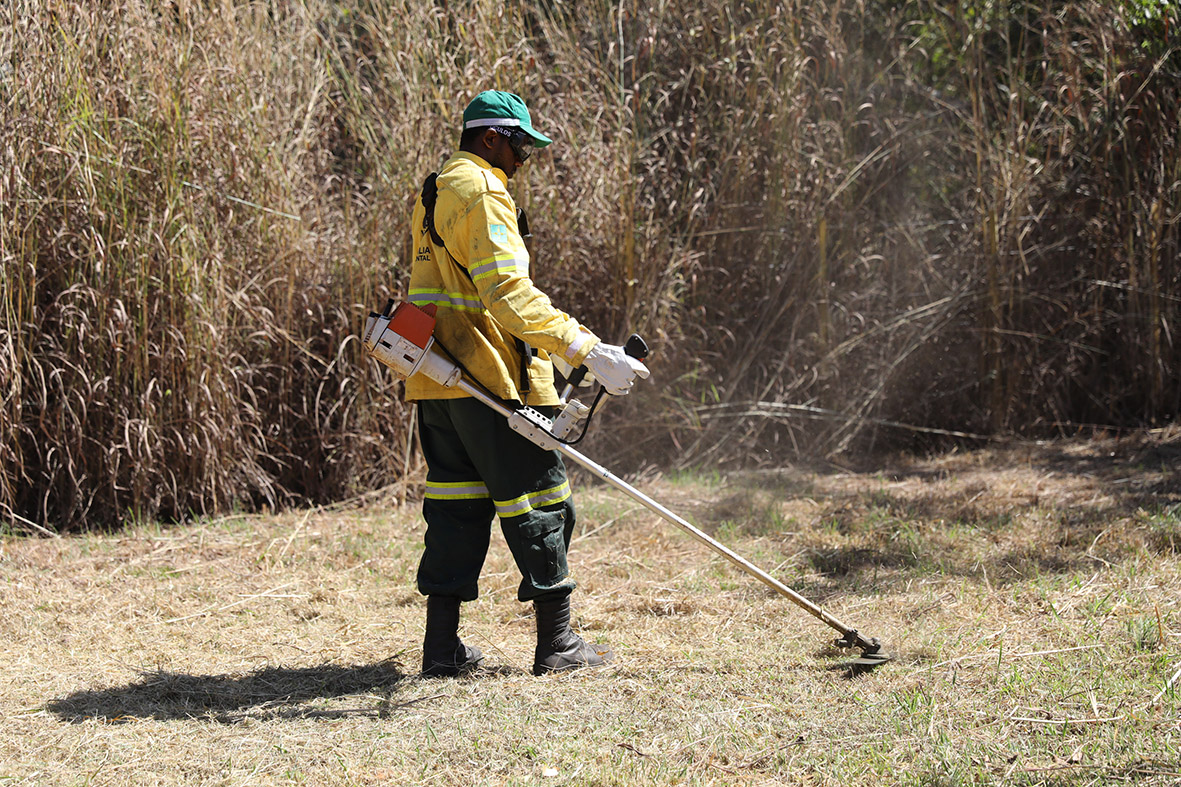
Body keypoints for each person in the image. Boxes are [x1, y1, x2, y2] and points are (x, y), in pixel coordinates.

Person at [404, 90, 649, 677]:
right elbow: (507, 294)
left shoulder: (435, 188)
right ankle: (558, 643)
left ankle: (441, 651)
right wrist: (587, 349)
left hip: (439, 379)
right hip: (495, 380)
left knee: (456, 507)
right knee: (541, 501)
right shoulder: (484, 192)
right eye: (520, 146)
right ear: (491, 137)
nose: (524, 160)